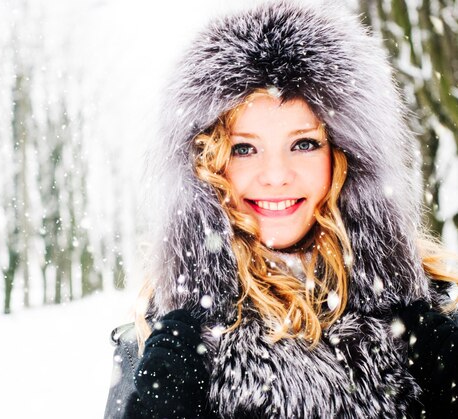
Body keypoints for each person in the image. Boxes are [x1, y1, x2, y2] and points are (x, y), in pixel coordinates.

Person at [104, 0, 458, 418]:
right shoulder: (164, 338)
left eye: (303, 143)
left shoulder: (425, 311)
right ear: (207, 163)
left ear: (344, 155)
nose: (275, 175)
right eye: (244, 148)